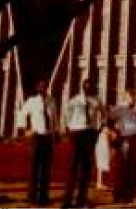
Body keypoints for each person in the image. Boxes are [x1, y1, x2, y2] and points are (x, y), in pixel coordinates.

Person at [62, 78, 106, 208]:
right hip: (77, 134)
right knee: (73, 168)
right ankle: (67, 201)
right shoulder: (75, 101)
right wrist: (70, 128)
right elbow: (66, 115)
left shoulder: (96, 100)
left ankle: (81, 200)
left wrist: (98, 130)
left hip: (90, 134)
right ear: (82, 87)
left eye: (91, 86)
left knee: (86, 169)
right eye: (86, 86)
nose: (88, 88)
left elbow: (104, 115)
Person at [17, 78, 57, 206]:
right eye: (40, 86)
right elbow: (22, 114)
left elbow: (54, 119)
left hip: (47, 138)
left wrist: (55, 133)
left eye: (45, 86)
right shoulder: (32, 101)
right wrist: (25, 131)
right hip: (36, 138)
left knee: (46, 169)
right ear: (37, 88)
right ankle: (32, 197)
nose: (43, 88)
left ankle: (43, 197)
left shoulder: (52, 101)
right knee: (34, 168)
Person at [109, 89, 136, 203]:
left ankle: (131, 194)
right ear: (125, 97)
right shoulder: (119, 108)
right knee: (121, 168)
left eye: (133, 96)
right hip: (123, 139)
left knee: (133, 168)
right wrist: (113, 132)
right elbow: (108, 120)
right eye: (129, 96)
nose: (132, 98)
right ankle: (118, 194)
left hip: (134, 139)